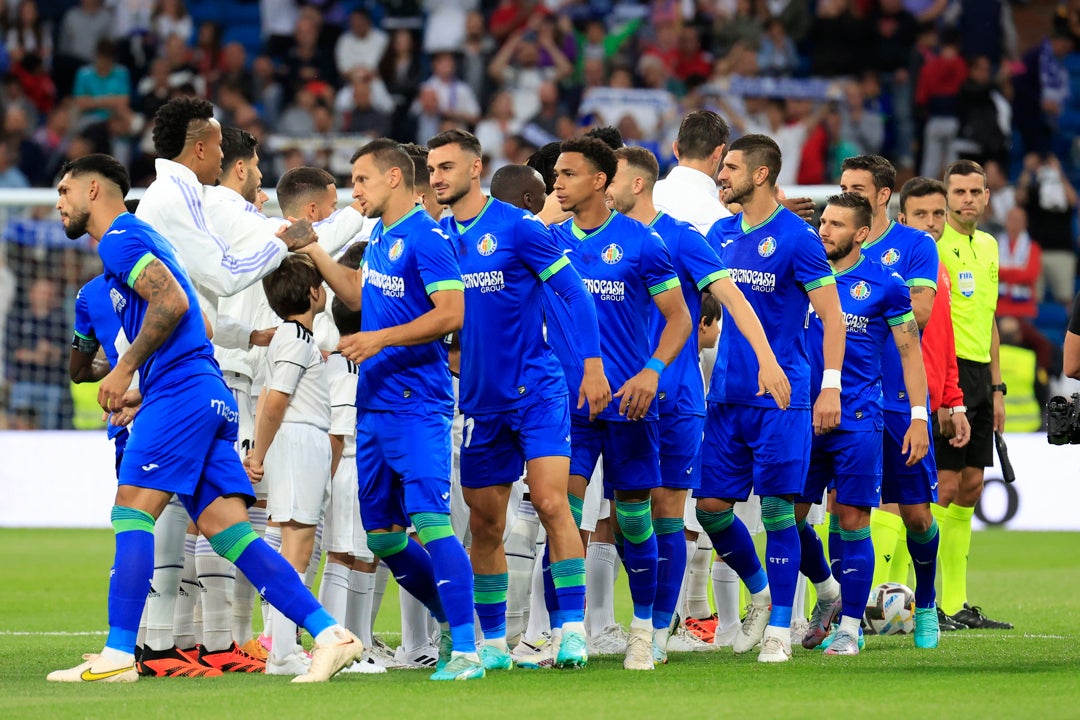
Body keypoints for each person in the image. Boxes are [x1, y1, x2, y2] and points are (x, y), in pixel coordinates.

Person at [47, 153, 362, 684]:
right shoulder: (146, 245)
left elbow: (169, 303)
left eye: (64, 191)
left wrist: (124, 371)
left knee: (131, 514)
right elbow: (201, 320)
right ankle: (333, 635)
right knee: (232, 535)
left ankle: (121, 653)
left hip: (180, 392)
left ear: (95, 191)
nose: (58, 203)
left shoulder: (124, 237)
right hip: (207, 391)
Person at [297, 138, 483, 681]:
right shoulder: (379, 234)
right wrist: (314, 251)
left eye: (361, 180)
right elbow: (357, 294)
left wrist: (380, 341)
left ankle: (468, 649)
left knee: (430, 521)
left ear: (395, 179)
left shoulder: (427, 236)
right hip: (373, 407)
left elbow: (452, 313)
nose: (354, 191)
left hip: (416, 405)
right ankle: (454, 623)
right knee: (383, 537)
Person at [426, 128, 609, 670]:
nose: (437, 177)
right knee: (486, 524)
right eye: (432, 169)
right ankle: (493, 643)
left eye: (447, 168)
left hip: (539, 390)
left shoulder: (519, 228)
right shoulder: (437, 238)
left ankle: (571, 631)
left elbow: (573, 292)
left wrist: (592, 366)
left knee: (553, 503)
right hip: (480, 400)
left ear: (475, 169)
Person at [605, 145, 790, 663]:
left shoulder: (682, 238)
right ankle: (744, 596)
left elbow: (733, 299)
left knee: (667, 515)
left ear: (638, 183)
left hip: (676, 397)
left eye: (610, 178)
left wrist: (767, 360)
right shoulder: (602, 237)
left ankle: (655, 632)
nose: (601, 187)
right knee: (626, 521)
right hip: (616, 400)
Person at [542, 136, 692, 671]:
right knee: (560, 512)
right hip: (568, 408)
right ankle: (567, 633)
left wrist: (652, 372)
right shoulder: (548, 242)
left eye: (567, 174)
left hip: (630, 404)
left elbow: (680, 318)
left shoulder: (642, 242)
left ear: (600, 182)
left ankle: (644, 632)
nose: (555, 182)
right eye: (555, 174)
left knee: (632, 520)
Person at [698, 134, 845, 664]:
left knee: (781, 510)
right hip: (727, 395)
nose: (722, 175)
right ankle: (765, 592)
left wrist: (830, 384)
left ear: (760, 175)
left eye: (731, 167)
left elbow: (831, 316)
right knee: (712, 509)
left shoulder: (797, 238)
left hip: (782, 395)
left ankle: (781, 627)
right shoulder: (718, 233)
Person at [796, 192, 929, 656]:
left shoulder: (886, 284)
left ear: (862, 233)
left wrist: (918, 417)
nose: (824, 230)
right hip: (798, 417)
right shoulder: (800, 273)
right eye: (823, 222)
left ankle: (850, 628)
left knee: (852, 521)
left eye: (835, 224)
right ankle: (828, 589)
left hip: (856, 419)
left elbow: (910, 354)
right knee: (783, 517)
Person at [837, 155, 943, 645]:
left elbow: (918, 313)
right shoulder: (828, 246)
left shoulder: (915, 245)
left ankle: (925, 602)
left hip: (898, 399)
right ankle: (843, 611)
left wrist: (868, 292)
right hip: (845, 399)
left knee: (918, 514)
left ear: (883, 195)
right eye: (843, 187)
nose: (849, 194)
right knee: (843, 510)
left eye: (858, 188)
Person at [933, 159, 1012, 630]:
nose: (967, 199)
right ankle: (923, 602)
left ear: (986, 196)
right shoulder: (935, 246)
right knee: (940, 488)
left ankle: (957, 602)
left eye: (975, 191)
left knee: (971, 488)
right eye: (959, 191)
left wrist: (998, 388)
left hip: (982, 374)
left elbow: (991, 319)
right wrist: (944, 388)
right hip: (950, 371)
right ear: (946, 196)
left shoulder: (989, 246)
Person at [245, 255, 332, 676]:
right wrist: (258, 455)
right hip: (299, 439)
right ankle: (282, 651)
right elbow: (275, 399)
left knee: (291, 542)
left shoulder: (288, 335)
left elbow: (267, 393)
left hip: (294, 440)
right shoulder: (297, 337)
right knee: (297, 547)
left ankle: (282, 646)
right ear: (314, 292)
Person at [896, 175, 973, 632]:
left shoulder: (936, 266)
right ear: (901, 216)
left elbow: (942, 341)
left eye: (938, 214)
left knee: (919, 505)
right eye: (921, 214)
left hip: (924, 399)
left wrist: (951, 399)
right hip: (890, 397)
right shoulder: (897, 260)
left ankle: (918, 604)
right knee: (860, 503)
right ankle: (869, 602)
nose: (931, 223)